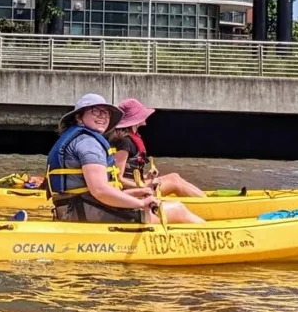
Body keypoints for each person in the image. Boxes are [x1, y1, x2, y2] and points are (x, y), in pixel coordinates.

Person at [45, 93, 202, 226]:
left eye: (106, 113)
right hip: (85, 212)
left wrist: (136, 193)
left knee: (168, 204)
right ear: (79, 118)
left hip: (76, 209)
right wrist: (140, 203)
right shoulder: (88, 143)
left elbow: (97, 190)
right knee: (177, 209)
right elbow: (100, 191)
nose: (102, 116)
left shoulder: (81, 138)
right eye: (95, 111)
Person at [108, 99, 205, 201]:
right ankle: (207, 203)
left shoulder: (130, 139)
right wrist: (145, 186)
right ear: (135, 120)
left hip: (136, 185)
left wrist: (146, 176)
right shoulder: (124, 142)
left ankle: (205, 198)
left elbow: (129, 175)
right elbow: (118, 179)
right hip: (129, 193)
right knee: (174, 182)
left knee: (174, 176)